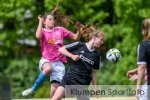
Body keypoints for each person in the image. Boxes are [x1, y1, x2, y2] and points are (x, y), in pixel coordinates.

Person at [22, 6, 82, 97]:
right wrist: (39, 21)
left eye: (53, 19)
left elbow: (76, 37)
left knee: (55, 95)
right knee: (48, 69)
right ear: (44, 21)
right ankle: (33, 89)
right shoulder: (42, 31)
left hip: (59, 64)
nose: (52, 21)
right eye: (49, 19)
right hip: (46, 60)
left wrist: (79, 30)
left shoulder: (60, 30)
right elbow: (38, 36)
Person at [51, 24, 105, 100]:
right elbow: (61, 50)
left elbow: (94, 73)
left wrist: (95, 89)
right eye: (101, 39)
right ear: (94, 38)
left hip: (83, 84)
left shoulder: (97, 55)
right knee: (55, 98)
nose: (102, 42)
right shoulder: (79, 45)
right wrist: (72, 56)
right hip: (70, 78)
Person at [135, 18, 150, 100]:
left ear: (145, 30)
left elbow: (142, 67)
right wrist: (136, 71)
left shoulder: (143, 45)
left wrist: (138, 87)